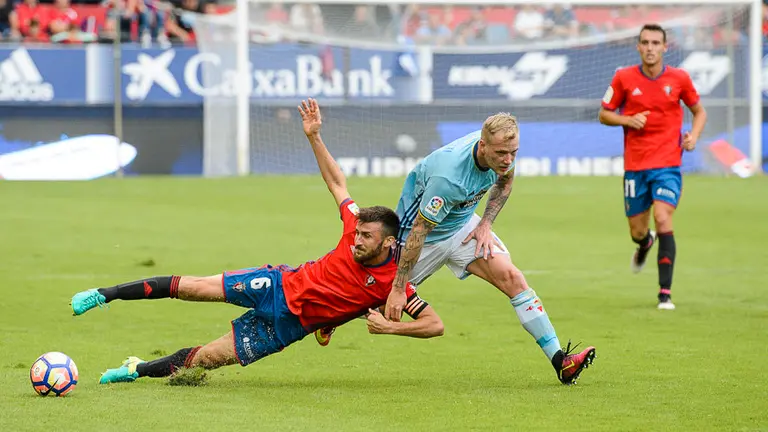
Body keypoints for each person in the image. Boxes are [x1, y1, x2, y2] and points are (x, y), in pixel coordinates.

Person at [69, 98, 443, 384]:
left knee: (207, 359)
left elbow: (434, 325)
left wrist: (392, 328)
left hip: (287, 328)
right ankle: (105, 294)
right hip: (277, 285)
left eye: (366, 237)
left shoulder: (393, 285)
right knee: (195, 288)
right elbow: (337, 183)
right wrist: (314, 136)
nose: (357, 239)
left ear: (389, 243)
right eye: (357, 232)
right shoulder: (354, 227)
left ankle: (136, 370)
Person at [373, 112, 596, 385]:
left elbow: (504, 182)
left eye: (514, 152)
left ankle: (561, 361)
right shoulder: (449, 177)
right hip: (422, 239)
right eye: (502, 153)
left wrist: (486, 223)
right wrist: (398, 288)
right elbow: (419, 229)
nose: (508, 160)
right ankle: (327, 319)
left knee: (512, 278)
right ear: (483, 146)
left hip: (463, 226)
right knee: (375, 300)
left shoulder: (502, 158)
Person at [598, 23, 707, 310]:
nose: (650, 48)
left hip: (668, 164)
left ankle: (664, 294)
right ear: (638, 46)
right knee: (637, 230)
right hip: (635, 166)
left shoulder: (679, 78)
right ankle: (645, 244)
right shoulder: (623, 78)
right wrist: (627, 120)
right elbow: (604, 114)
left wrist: (693, 136)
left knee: (663, 218)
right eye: (645, 42)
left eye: (655, 43)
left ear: (664, 47)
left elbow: (699, 111)